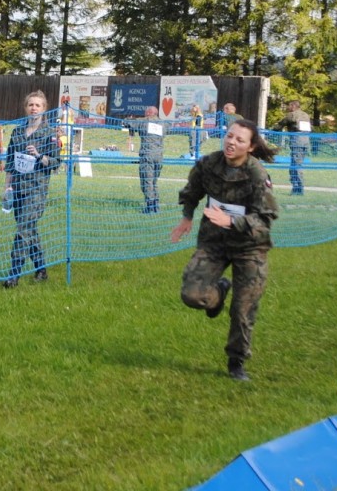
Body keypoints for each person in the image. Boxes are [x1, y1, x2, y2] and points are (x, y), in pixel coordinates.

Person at [171, 119, 278, 382]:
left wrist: (231, 221)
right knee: (192, 294)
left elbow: (264, 220)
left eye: (240, 140)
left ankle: (236, 362)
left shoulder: (257, 175)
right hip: (214, 242)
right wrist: (186, 217)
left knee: (243, 309)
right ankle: (219, 291)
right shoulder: (209, 163)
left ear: (250, 147)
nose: (231, 142)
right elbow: (192, 191)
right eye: (230, 136)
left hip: (249, 247)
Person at [3, 91, 60, 288]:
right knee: (29, 229)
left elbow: (56, 162)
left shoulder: (50, 134)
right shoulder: (17, 133)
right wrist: (7, 187)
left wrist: (39, 156)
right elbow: (10, 161)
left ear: (44, 109)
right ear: (26, 108)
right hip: (18, 189)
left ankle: (13, 275)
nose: (34, 108)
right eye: (31, 105)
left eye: (38, 105)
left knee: (22, 230)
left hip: (36, 190)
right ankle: (41, 270)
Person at [128, 105, 165, 214]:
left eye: (145, 112)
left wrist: (129, 119)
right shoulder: (163, 123)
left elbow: (129, 123)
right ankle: (156, 206)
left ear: (149, 113)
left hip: (147, 156)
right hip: (159, 156)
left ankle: (150, 208)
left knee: (147, 182)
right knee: (153, 181)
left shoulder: (144, 121)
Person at [273, 99, 312, 195]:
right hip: (306, 142)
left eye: (289, 106)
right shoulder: (306, 115)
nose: (288, 108)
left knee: (295, 165)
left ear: (293, 106)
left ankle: (298, 188)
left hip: (297, 142)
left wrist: (271, 131)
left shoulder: (292, 115)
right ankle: (297, 187)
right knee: (297, 164)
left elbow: (279, 125)